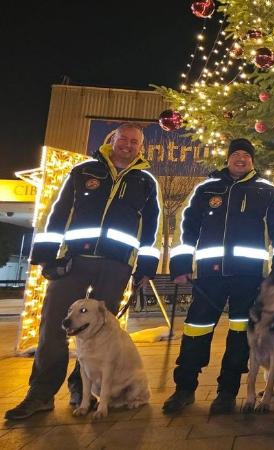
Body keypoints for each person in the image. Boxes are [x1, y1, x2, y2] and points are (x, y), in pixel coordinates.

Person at [6, 123, 161, 420]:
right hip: (73, 261)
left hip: (116, 266)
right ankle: (41, 393)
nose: (128, 145)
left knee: (99, 331)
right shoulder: (83, 172)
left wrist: (146, 266)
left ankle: (82, 390)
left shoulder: (145, 182)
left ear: (140, 148)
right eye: (123, 139)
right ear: (111, 140)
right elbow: (58, 212)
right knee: (54, 326)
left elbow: (152, 228)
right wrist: (46, 255)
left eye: (134, 142)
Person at [162, 138, 274, 414]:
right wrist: (181, 265)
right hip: (208, 277)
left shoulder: (268, 191)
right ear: (228, 158)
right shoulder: (205, 189)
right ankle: (184, 389)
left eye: (246, 155)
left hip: (249, 278)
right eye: (236, 154)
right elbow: (185, 230)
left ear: (253, 161)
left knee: (239, 336)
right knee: (196, 330)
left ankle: (226, 393)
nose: (241, 159)